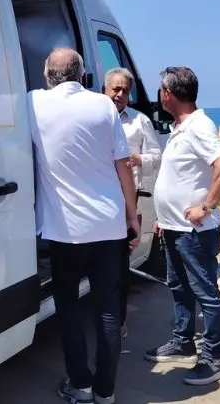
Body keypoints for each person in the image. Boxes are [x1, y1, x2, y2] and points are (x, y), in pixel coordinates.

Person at [28, 48, 139, 404]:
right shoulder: (104, 106)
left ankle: (81, 384)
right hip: (108, 227)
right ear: (83, 75)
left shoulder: (33, 104)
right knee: (107, 309)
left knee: (69, 308)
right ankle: (105, 392)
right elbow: (122, 164)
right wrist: (132, 214)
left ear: (47, 74)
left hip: (65, 231)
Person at [144, 66, 220, 386]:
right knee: (179, 287)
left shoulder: (199, 126)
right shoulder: (180, 127)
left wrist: (207, 206)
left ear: (169, 94)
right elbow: (182, 177)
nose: (159, 94)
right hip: (173, 228)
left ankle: (214, 358)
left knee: (206, 294)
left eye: (161, 89)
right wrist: (163, 217)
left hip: (195, 231)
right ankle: (183, 341)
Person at [103, 67, 163, 340]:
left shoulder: (140, 121)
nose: (120, 94)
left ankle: (118, 321)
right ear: (105, 89)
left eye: (125, 90)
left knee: (120, 264)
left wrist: (138, 160)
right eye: (115, 89)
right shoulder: (95, 118)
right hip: (99, 199)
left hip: (129, 201)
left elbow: (156, 156)